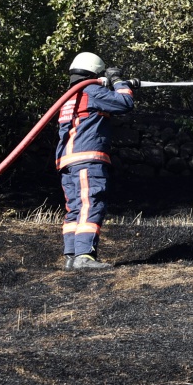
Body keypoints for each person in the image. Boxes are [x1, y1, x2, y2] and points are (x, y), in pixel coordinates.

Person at [57, 52, 135, 270]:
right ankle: (84, 256)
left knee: (75, 208)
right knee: (91, 203)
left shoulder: (70, 96)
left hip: (68, 162)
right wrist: (119, 82)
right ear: (96, 73)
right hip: (87, 159)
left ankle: (72, 257)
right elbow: (125, 103)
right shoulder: (91, 91)